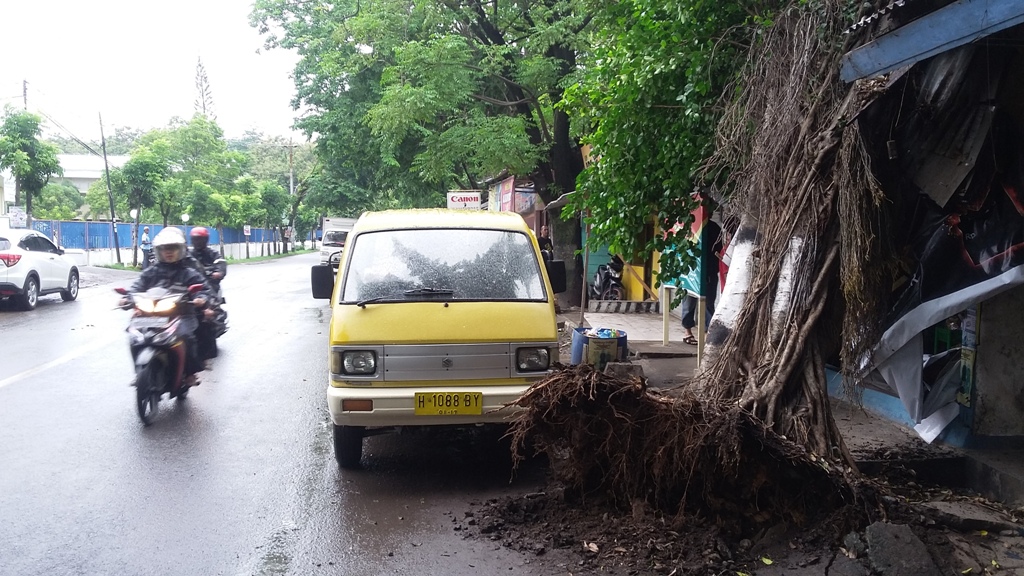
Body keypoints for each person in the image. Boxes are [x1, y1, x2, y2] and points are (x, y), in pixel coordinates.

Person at [122, 228, 210, 386]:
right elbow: (136, 287)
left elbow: (203, 289)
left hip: (182, 315)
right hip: (152, 316)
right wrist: (127, 299)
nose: (168, 252)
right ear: (158, 251)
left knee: (186, 337)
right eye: (164, 248)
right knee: (134, 336)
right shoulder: (151, 272)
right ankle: (140, 372)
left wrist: (200, 299)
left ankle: (190, 374)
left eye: (173, 248)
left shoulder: (188, 273)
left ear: (181, 249)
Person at [188, 227, 227, 364]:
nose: (198, 242)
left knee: (208, 313)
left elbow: (221, 265)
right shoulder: (188, 255)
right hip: (189, 288)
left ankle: (211, 336)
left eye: (200, 239)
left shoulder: (212, 254)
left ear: (205, 240)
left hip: (209, 287)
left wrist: (218, 272)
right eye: (195, 239)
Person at [681, 219, 723, 346]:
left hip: (709, 271)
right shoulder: (690, 225)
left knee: (708, 303)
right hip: (691, 272)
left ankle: (706, 334)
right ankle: (687, 331)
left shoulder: (714, 227)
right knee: (689, 303)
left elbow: (718, 248)